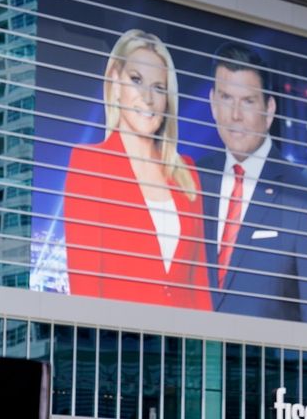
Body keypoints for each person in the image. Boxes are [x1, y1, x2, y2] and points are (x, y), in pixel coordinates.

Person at [63, 29, 211, 310]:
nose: (147, 97)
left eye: (159, 87)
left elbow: (199, 287)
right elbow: (85, 288)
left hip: (183, 347)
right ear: (115, 82)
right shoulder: (89, 165)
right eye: (136, 80)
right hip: (120, 347)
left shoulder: (186, 174)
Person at [197, 42, 307, 322]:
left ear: (270, 108)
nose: (235, 114)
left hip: (265, 363)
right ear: (213, 103)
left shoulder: (302, 200)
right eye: (226, 98)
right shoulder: (193, 180)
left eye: (248, 101)